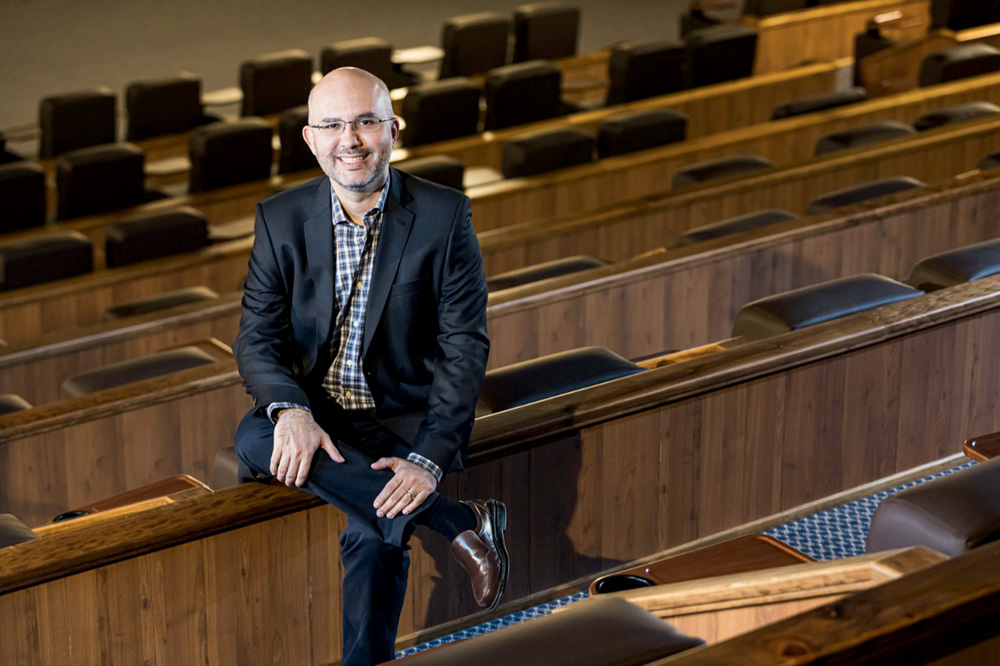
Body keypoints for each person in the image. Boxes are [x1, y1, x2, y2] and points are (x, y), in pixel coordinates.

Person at [232, 67, 508, 666]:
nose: (349, 140)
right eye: (332, 125)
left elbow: (465, 346)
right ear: (311, 140)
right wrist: (294, 410)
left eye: (364, 122)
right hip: (320, 415)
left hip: (400, 419)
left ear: (393, 129)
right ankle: (459, 522)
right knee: (255, 434)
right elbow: (256, 339)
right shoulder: (279, 219)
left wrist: (430, 457)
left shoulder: (444, 216)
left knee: (370, 533)